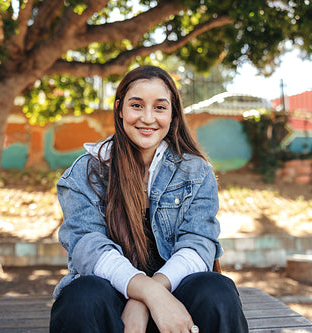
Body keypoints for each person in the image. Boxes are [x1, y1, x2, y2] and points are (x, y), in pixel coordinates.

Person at [50, 65, 248, 333]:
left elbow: (199, 244)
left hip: (175, 302)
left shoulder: (196, 172)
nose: (147, 118)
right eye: (136, 105)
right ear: (120, 109)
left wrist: (150, 297)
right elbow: (87, 247)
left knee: (217, 290)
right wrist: (144, 292)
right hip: (111, 305)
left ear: (172, 114)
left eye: (159, 107)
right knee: (82, 295)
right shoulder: (85, 173)